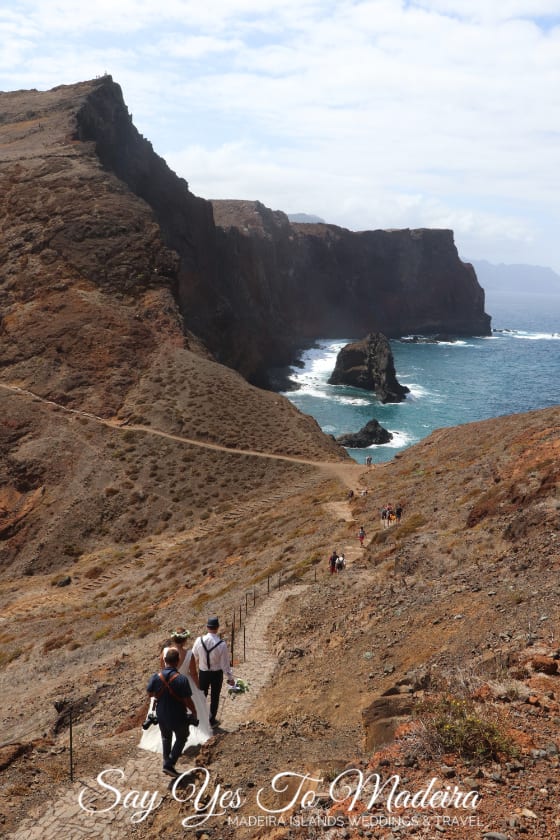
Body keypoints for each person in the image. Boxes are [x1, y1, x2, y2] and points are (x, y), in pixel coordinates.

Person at [140, 629, 213, 756]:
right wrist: (199, 688)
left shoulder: (165, 651)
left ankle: (166, 742)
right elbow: (194, 674)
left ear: (174, 638)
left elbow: (163, 670)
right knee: (190, 709)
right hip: (185, 683)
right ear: (185, 640)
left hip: (167, 683)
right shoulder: (189, 654)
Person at [145, 647, 198, 777]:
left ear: (165, 660)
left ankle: (166, 760)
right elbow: (187, 699)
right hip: (178, 714)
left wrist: (158, 697)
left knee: (165, 737)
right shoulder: (181, 679)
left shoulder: (156, 677)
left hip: (161, 714)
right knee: (182, 737)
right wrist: (194, 711)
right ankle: (169, 764)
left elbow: (150, 693)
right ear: (177, 661)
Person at [192, 617, 235, 727]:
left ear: (207, 627)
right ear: (217, 628)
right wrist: (230, 678)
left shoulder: (199, 640)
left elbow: (194, 657)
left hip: (203, 673)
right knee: (215, 696)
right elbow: (225, 664)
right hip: (216, 674)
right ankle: (212, 721)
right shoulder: (222, 644)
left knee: (202, 695)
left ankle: (200, 718)